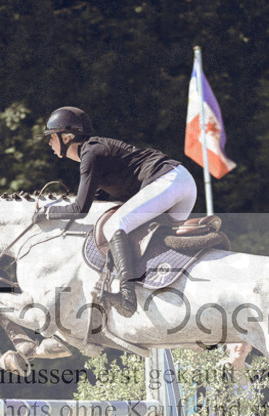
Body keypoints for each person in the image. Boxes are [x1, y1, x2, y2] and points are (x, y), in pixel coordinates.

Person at [40, 106, 197, 316]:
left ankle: (127, 297)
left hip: (168, 181)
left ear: (67, 137)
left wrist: (48, 212)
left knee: (116, 224)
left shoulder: (91, 153)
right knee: (146, 238)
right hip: (181, 183)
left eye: (52, 136)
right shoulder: (94, 151)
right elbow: (95, 201)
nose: (49, 142)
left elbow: (80, 208)